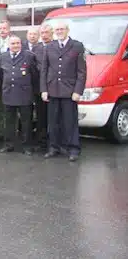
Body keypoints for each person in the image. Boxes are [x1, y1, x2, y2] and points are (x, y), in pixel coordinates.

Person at [41, 22, 86, 162]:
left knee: (70, 122)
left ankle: (73, 149)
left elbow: (82, 72)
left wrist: (78, 90)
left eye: (62, 29)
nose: (59, 31)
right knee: (53, 122)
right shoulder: (49, 47)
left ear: (67, 30)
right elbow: (44, 70)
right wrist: (44, 89)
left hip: (69, 91)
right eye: (57, 30)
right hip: (53, 89)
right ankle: (54, 147)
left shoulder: (77, 46)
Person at [0, 36, 38, 155]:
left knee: (26, 122)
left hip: (24, 94)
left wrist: (33, 92)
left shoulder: (29, 56)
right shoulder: (3, 57)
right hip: (8, 93)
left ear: (21, 44)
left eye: (17, 43)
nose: (15, 45)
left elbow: (35, 75)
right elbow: (0, 74)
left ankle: (27, 146)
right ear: (9, 45)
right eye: (13, 43)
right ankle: (9, 144)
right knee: (9, 121)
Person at [33, 24, 53, 149]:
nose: (44, 35)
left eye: (47, 32)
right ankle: (41, 141)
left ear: (52, 33)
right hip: (39, 87)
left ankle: (54, 141)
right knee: (41, 115)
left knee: (54, 116)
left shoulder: (56, 46)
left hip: (53, 87)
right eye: (42, 33)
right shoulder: (36, 48)